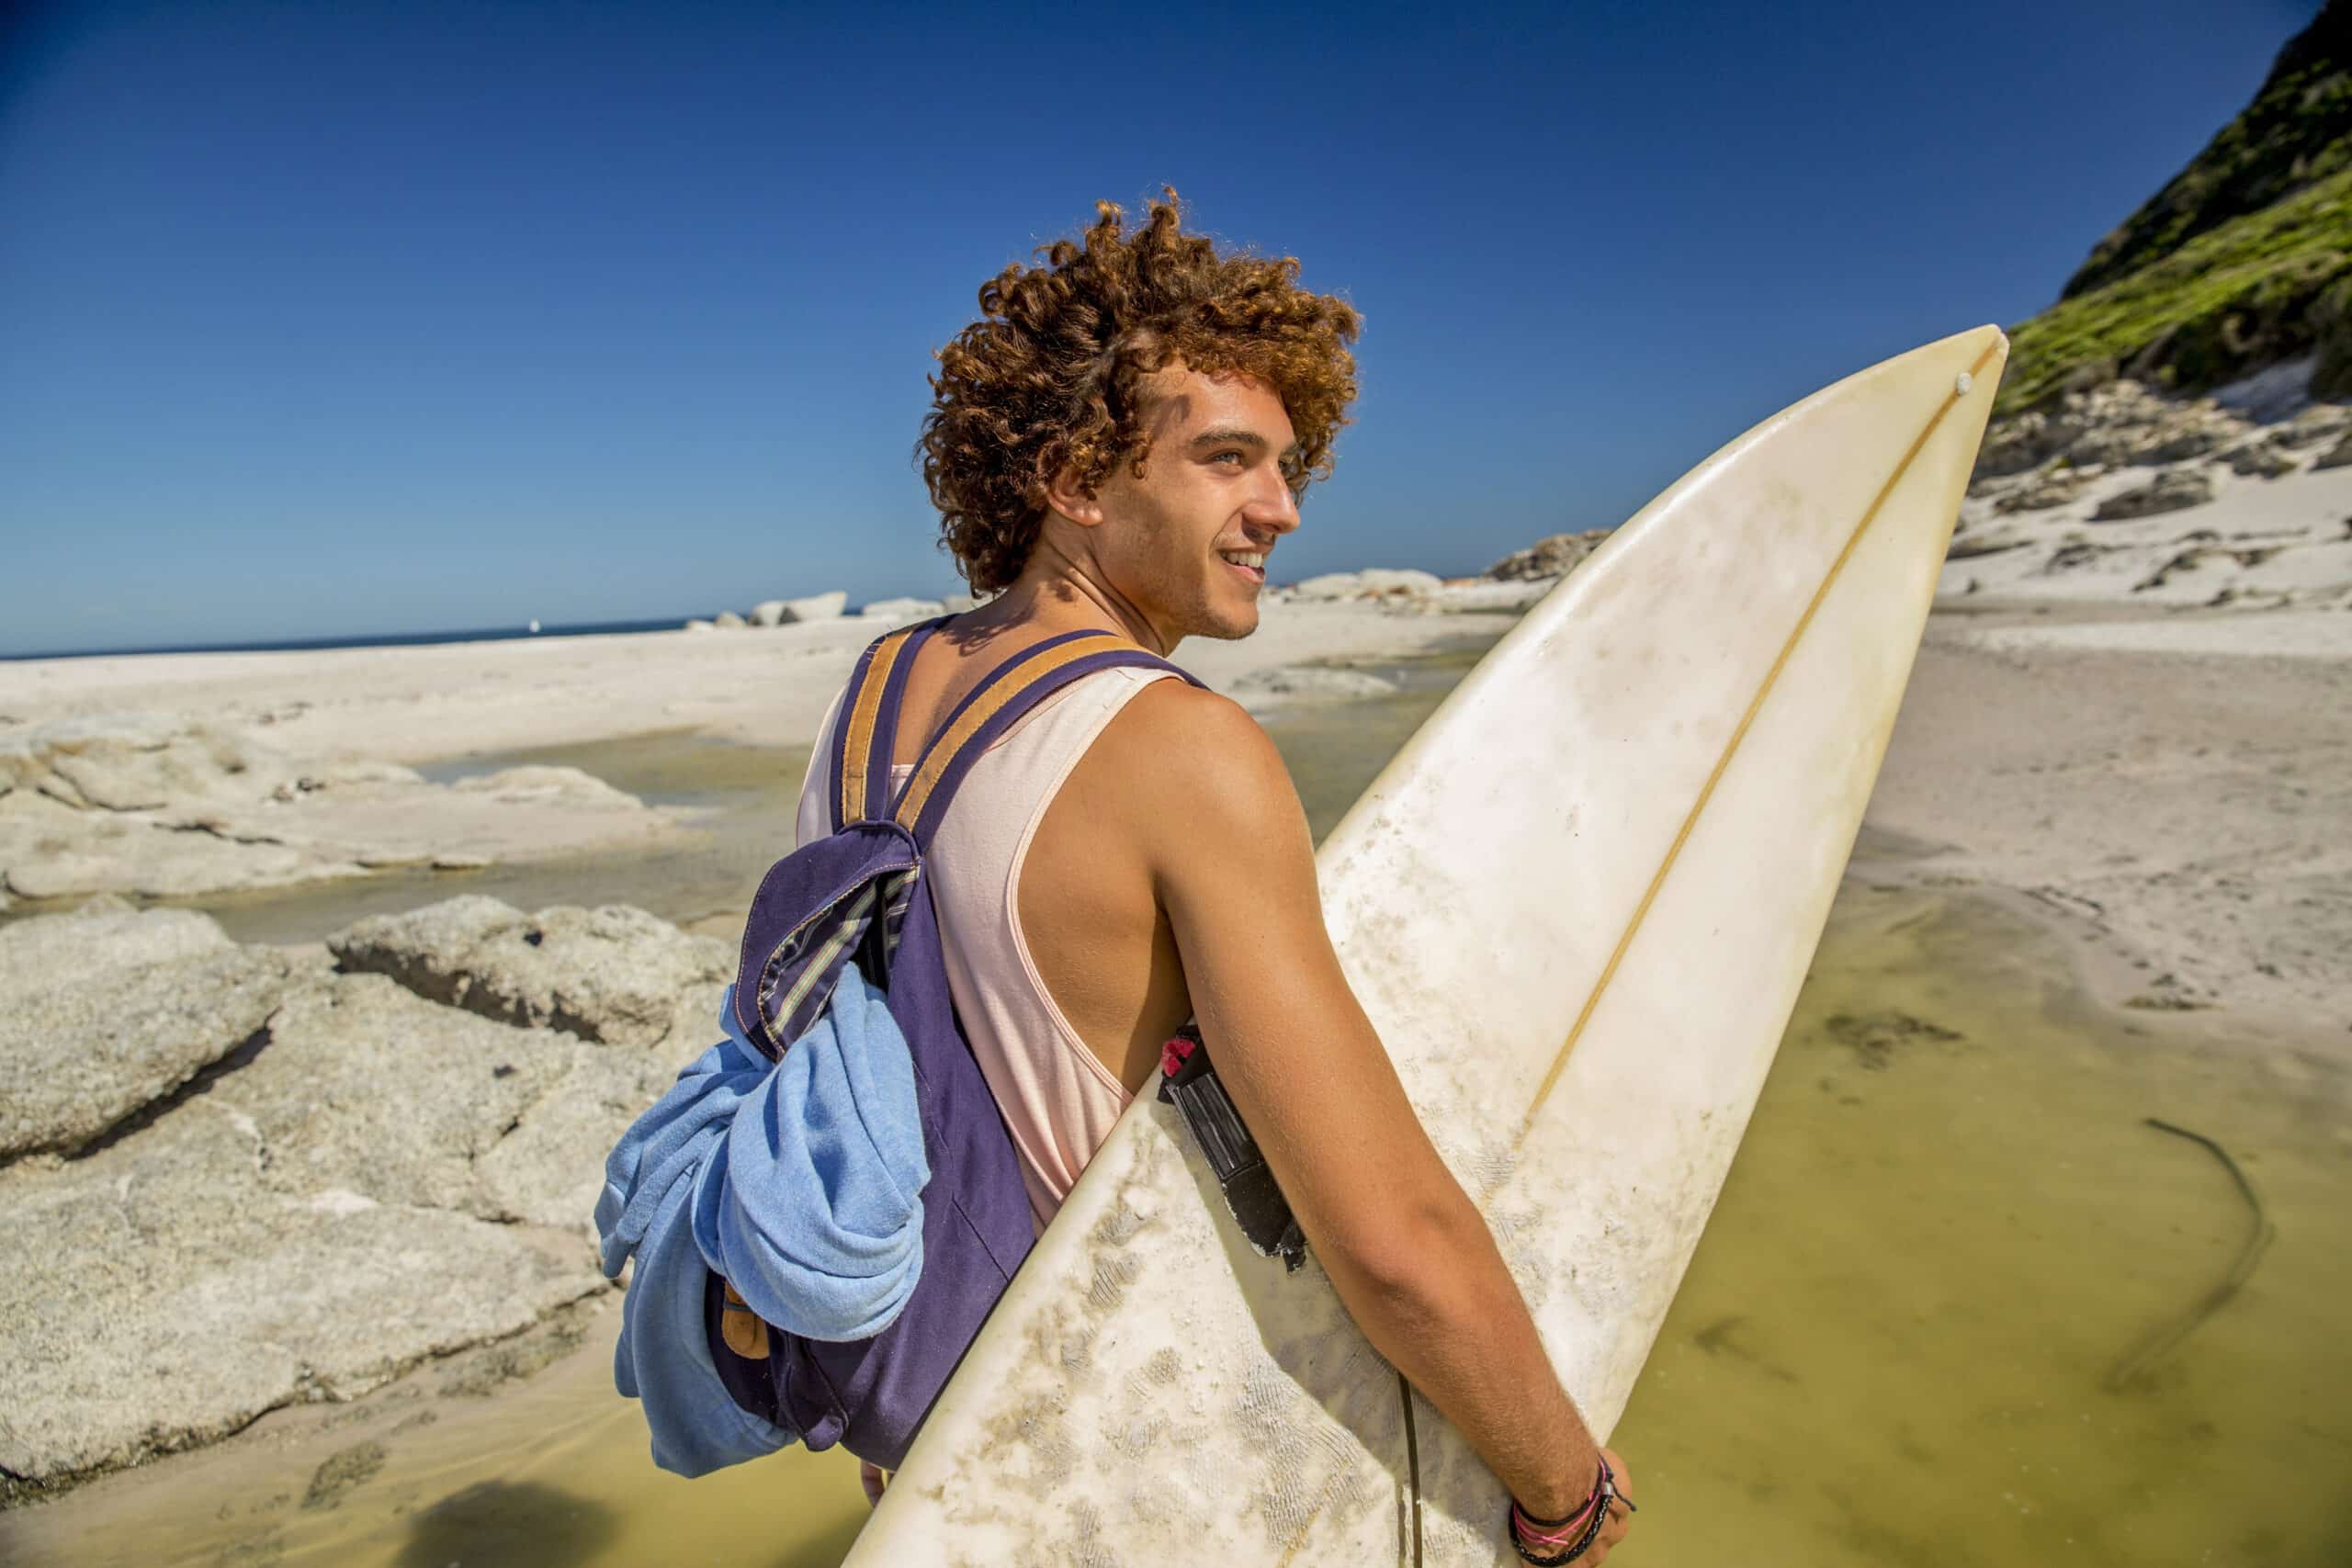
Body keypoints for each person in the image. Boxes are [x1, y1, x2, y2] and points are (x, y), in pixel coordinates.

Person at [798, 190, 1634, 1560]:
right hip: (1113, 1453)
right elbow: (1390, 1240)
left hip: (925, 1447)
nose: (1283, 509)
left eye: (1289, 464)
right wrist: (1561, 1492)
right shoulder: (1182, 749)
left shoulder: (875, 686)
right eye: (1230, 460)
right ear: (1077, 479)